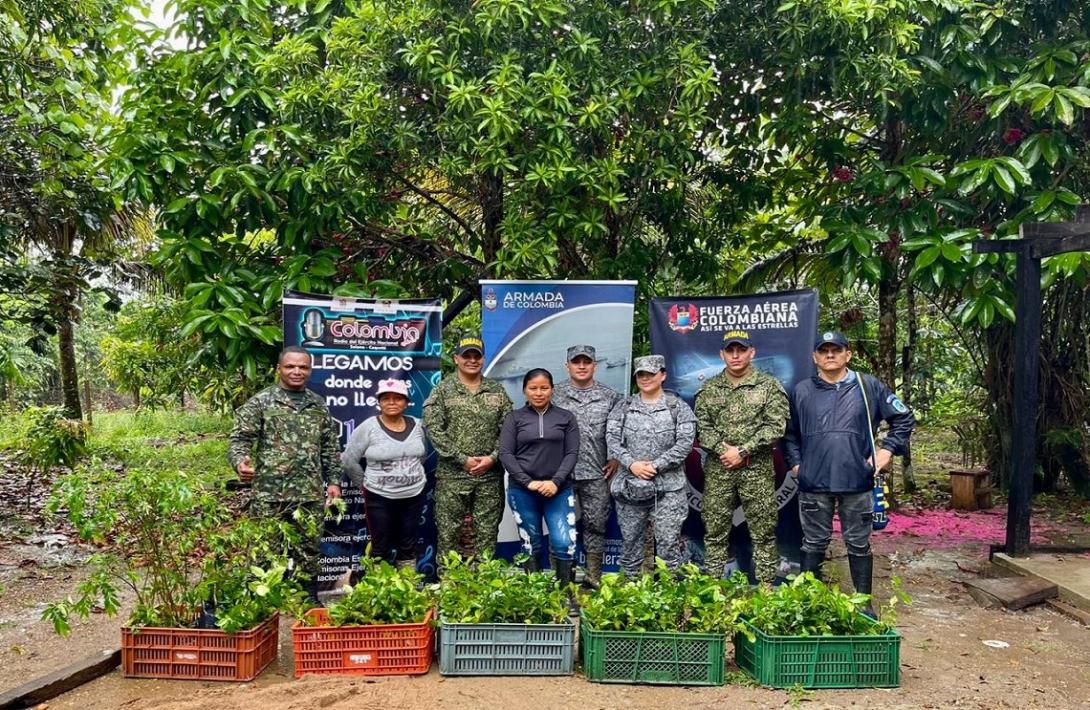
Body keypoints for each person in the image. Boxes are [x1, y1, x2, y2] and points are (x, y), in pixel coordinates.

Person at [783, 331, 915, 611]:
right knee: (814, 542)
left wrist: (886, 450)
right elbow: (789, 434)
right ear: (814, 357)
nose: (830, 355)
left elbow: (903, 418)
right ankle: (809, 605)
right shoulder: (801, 390)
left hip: (857, 481)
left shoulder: (868, 387)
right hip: (813, 482)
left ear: (848, 354)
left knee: (857, 542)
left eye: (836, 350)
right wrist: (796, 464)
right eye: (824, 351)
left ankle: (864, 604)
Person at [227, 346, 343, 601]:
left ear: (310, 370)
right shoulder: (261, 401)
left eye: (303, 367)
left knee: (308, 550)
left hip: (309, 493)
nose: (297, 371)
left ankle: (307, 599)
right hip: (270, 494)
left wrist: (334, 481)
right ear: (279, 368)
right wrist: (240, 462)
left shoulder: (317, 404)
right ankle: (261, 601)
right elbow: (239, 439)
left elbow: (330, 446)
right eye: (290, 366)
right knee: (265, 550)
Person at [695, 330, 790, 585]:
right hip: (719, 469)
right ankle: (713, 589)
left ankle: (766, 590)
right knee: (714, 532)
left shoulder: (768, 386)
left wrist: (743, 451)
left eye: (741, 350)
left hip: (756, 470)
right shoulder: (710, 388)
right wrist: (725, 450)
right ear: (722, 354)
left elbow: (775, 427)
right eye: (730, 350)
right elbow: (702, 427)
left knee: (763, 532)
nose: (735, 355)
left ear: (752, 352)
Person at [423, 336, 513, 566]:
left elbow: (509, 429)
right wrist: (461, 459)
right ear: (456, 359)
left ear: (483, 359)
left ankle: (484, 585)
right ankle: (449, 584)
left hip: (489, 476)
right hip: (453, 476)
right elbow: (434, 428)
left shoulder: (496, 390)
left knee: (487, 532)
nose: (472, 360)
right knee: (448, 532)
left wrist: (493, 458)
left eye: (477, 356)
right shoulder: (443, 390)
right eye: (467, 356)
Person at [606, 354, 696, 577]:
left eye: (651, 374)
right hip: (631, 486)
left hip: (668, 489)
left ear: (663, 375)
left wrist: (655, 466)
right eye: (641, 375)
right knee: (630, 545)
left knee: (668, 546)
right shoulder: (623, 407)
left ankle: (668, 603)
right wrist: (632, 464)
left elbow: (685, 444)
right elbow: (612, 440)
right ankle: (630, 600)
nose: (645, 379)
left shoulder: (678, 408)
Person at [499, 369, 580, 590]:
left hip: (559, 490)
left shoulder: (566, 417)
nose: (539, 393)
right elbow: (505, 453)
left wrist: (556, 481)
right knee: (530, 542)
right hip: (523, 491)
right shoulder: (514, 418)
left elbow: (572, 453)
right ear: (525, 390)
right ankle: (536, 595)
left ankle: (565, 595)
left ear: (552, 390)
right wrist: (528, 482)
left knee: (565, 542)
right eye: (533, 388)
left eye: (544, 388)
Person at [551, 345, 622, 589]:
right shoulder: (554, 394)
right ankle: (561, 579)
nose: (581, 366)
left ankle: (594, 577)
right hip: (561, 474)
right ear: (567, 365)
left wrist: (615, 457)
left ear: (595, 365)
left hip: (596, 473)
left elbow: (618, 430)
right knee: (561, 527)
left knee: (596, 525)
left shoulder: (610, 396)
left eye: (587, 362)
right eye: (576, 361)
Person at [342, 378, 427, 571]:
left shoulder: (417, 425)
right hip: (379, 497)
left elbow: (420, 455)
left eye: (397, 398)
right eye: (385, 398)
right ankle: (377, 588)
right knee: (380, 545)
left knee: (408, 543)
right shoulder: (368, 427)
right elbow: (349, 460)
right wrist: (366, 485)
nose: (391, 402)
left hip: (413, 495)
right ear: (378, 402)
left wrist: (408, 474)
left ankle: (408, 588)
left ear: (406, 402)